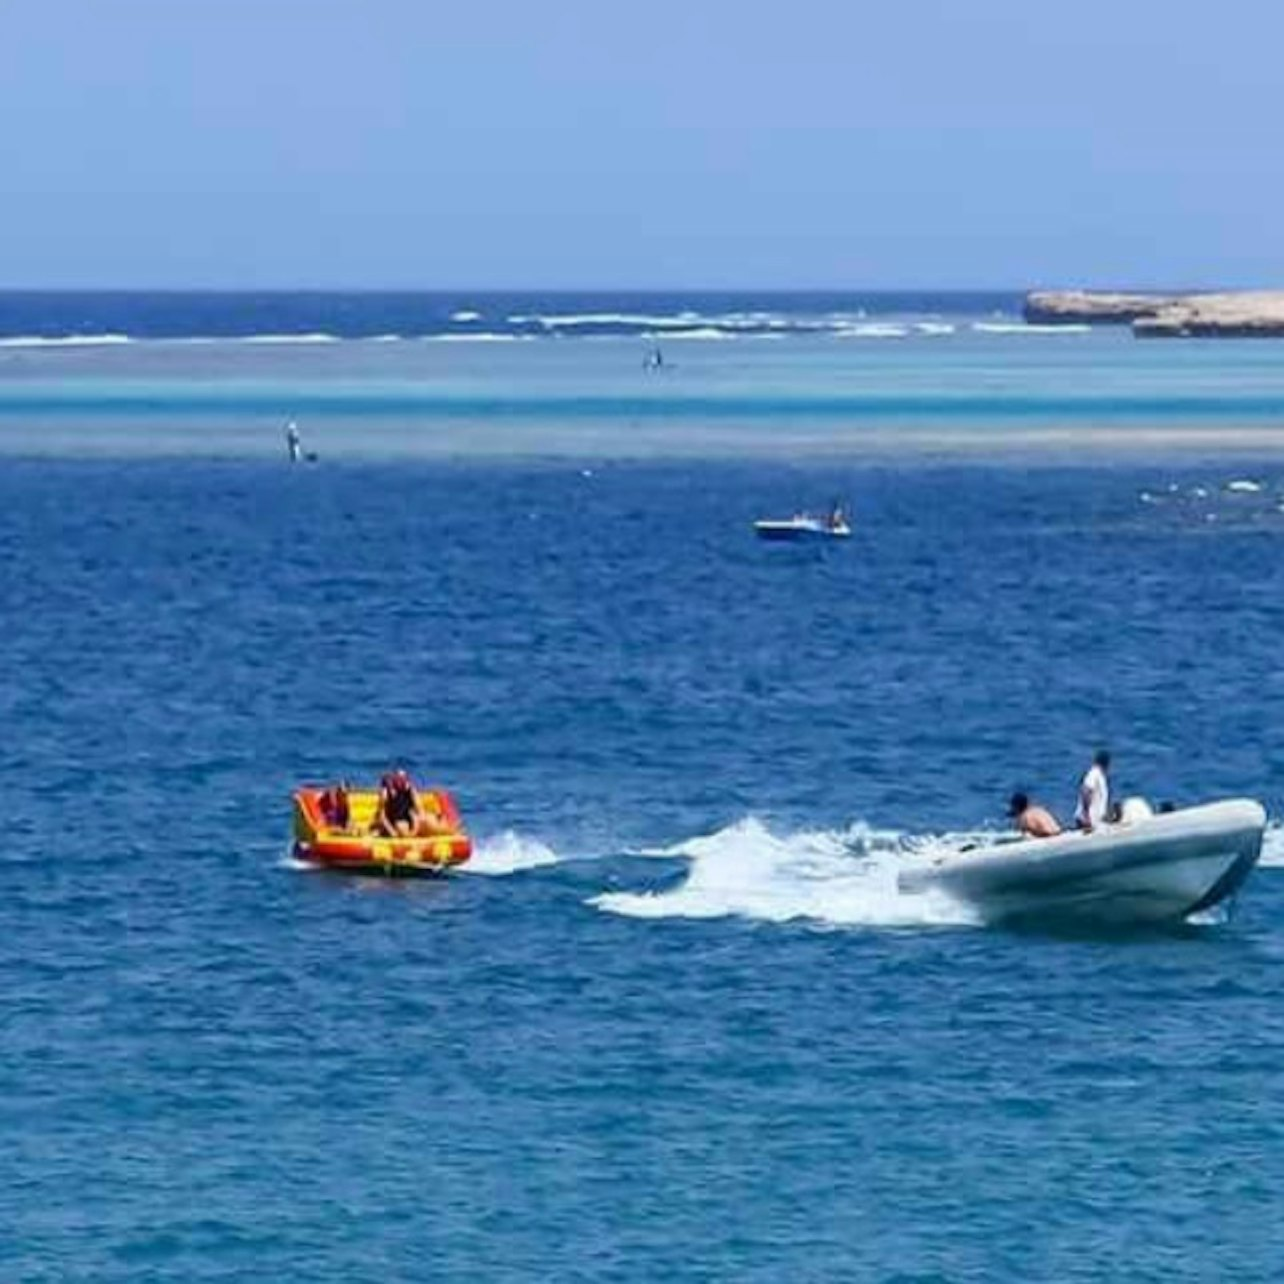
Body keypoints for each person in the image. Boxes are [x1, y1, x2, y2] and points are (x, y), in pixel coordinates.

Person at [1075, 749, 1111, 832]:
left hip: (1096, 821)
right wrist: (1086, 815)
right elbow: (1086, 791)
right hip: (1088, 821)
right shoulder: (1094, 773)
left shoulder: (1100, 776)